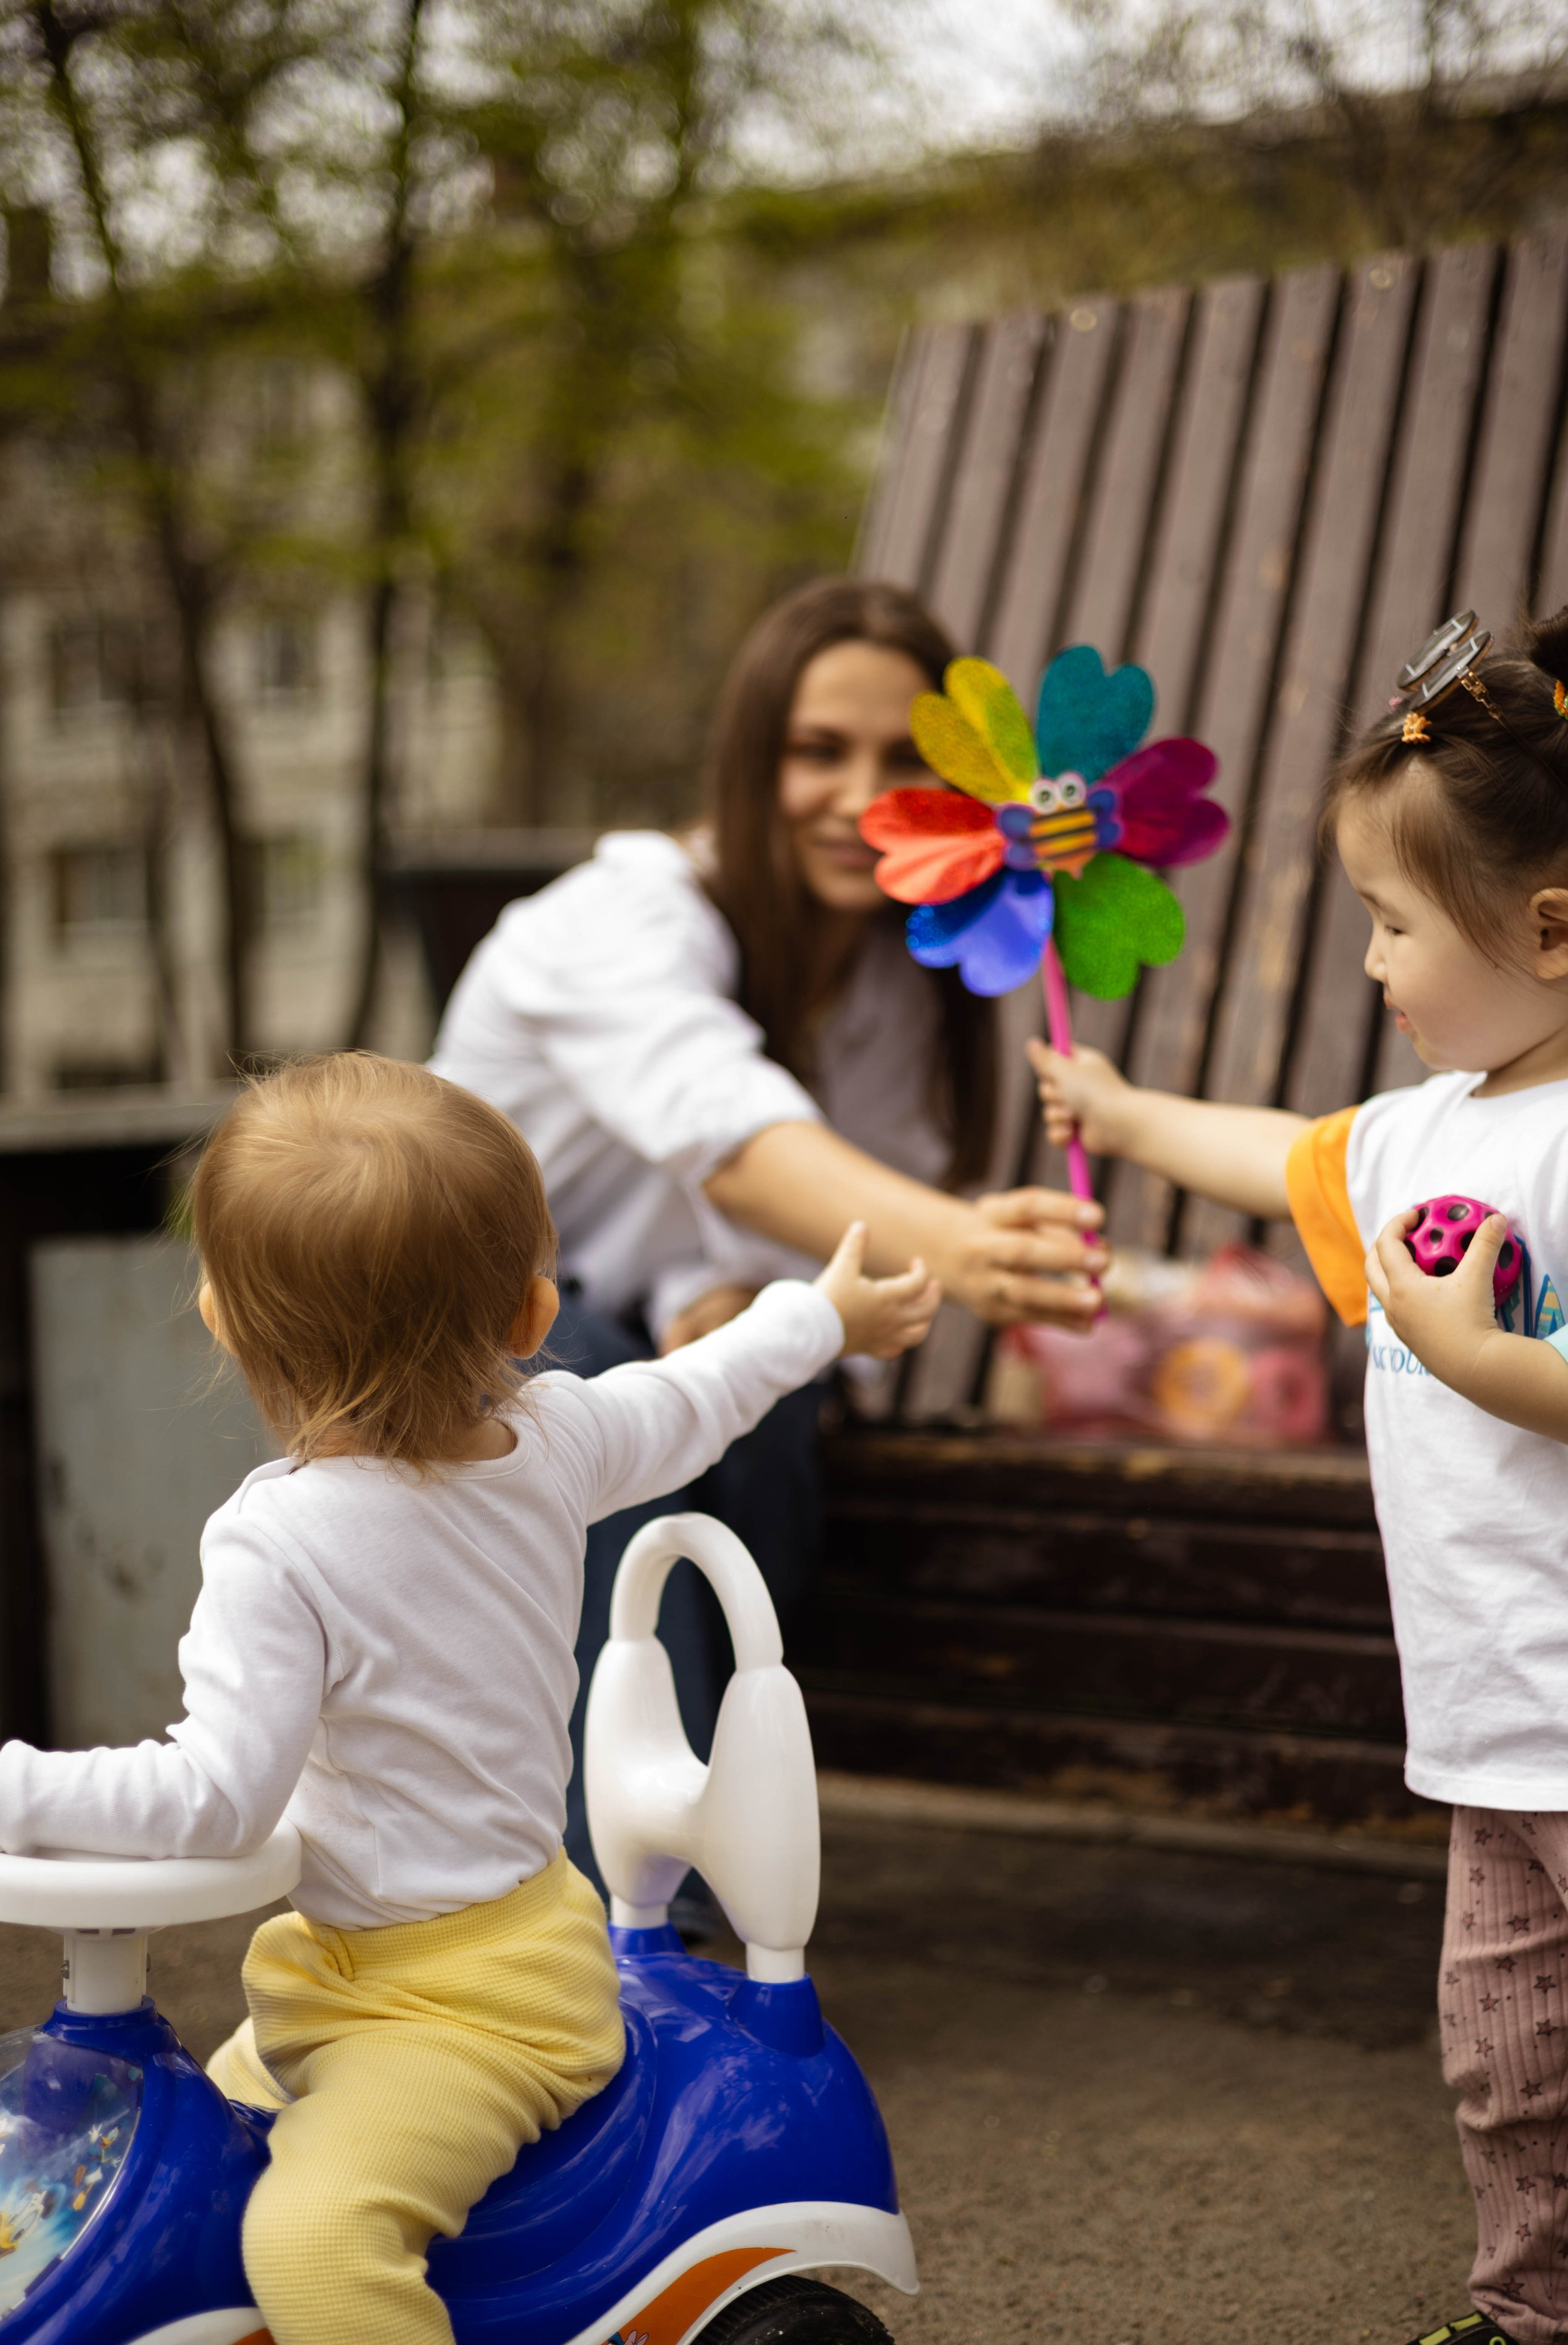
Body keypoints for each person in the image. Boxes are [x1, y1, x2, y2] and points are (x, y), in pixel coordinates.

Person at [0, 1052, 937, 2345]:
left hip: (475, 2016)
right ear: (531, 1315)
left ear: (222, 1315)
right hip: (366, 1974)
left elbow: (210, 1803)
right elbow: (701, 1393)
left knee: (314, 2238)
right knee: (181, 2146)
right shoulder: (555, 1437)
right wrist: (823, 1314)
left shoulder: (280, 1543)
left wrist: (16, 1788)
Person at [1031, 604, 1568, 2345]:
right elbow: (1283, 1154)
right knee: (1510, 2064)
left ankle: (1548, 2325)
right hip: (1500, 1728)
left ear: (1551, 933)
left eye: (1395, 924)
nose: (1378, 960)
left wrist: (1472, 1352)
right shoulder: (1429, 1130)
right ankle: (1544, 2335)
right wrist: (1118, 1114)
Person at [431, 577, 1105, 1886]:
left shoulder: (901, 974)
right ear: (750, 760)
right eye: (817, 751)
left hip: (652, 1331)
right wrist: (958, 1249)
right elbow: (731, 1143)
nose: (859, 797)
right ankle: (629, 1912)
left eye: (904, 760)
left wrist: (730, 1298)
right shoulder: (615, 920)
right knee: (596, 1394)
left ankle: (734, 1855)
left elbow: (809, 1225)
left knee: (762, 1382)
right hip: (474, 1347)